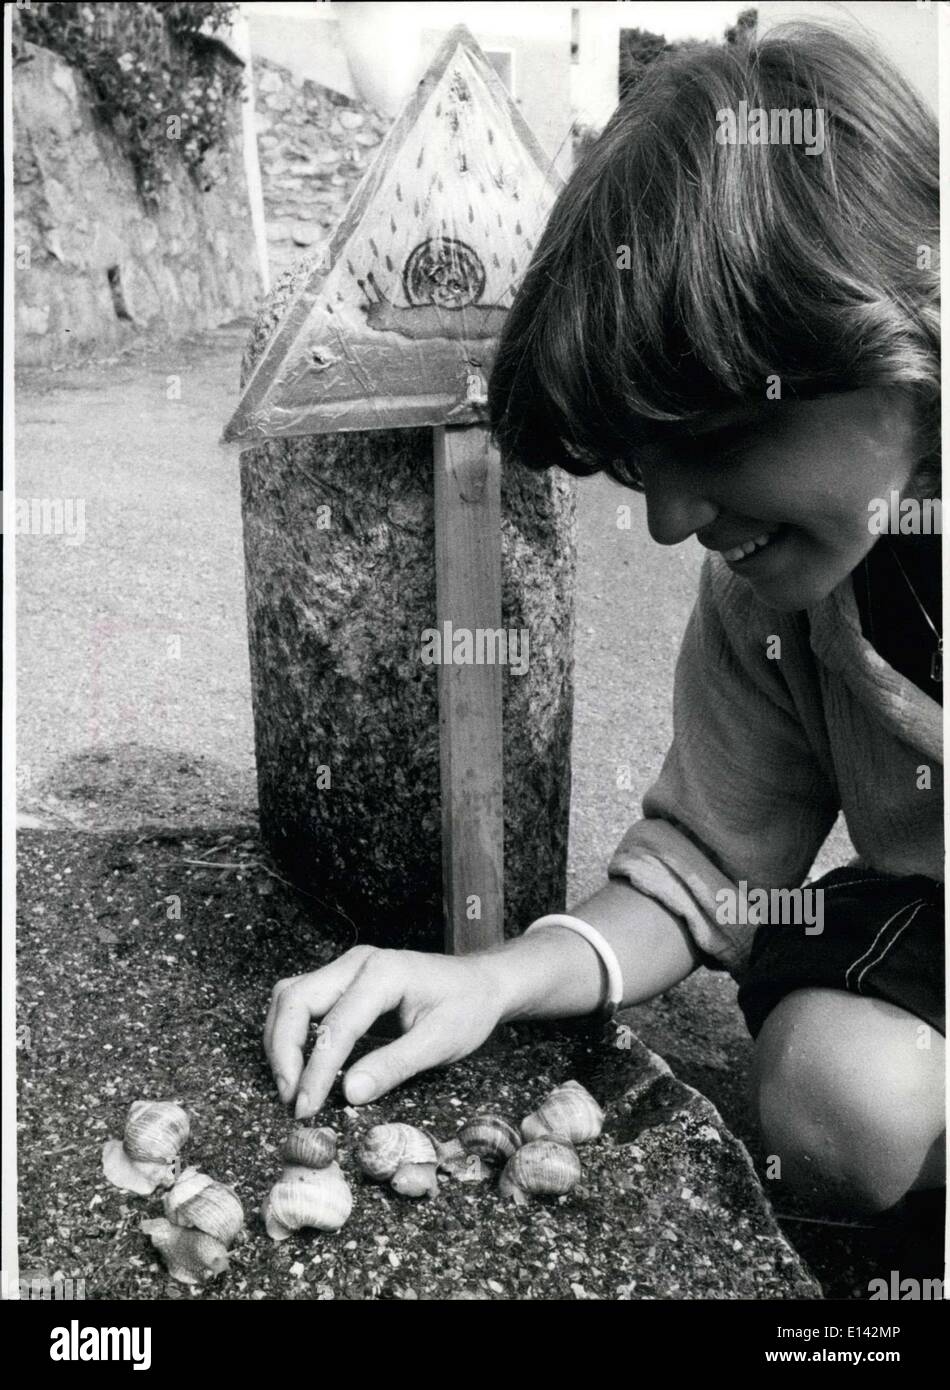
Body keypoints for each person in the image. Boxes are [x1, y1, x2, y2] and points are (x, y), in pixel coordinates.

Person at [264, 24, 943, 1216]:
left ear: (903, 341)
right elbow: (710, 869)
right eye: (639, 469)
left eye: (719, 443)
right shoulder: (774, 598)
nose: (674, 522)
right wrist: (491, 979)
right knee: (835, 1094)